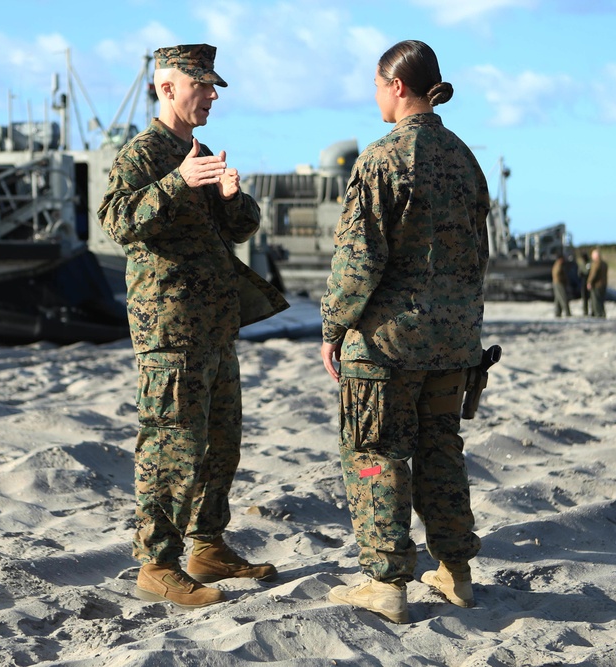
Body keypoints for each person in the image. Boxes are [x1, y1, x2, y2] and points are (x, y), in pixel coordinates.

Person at [97, 44, 282, 610]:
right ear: (166, 88)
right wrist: (177, 182)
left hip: (214, 325)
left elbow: (241, 229)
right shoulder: (145, 153)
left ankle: (207, 545)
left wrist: (230, 195)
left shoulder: (194, 150)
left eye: (213, 84)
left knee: (221, 442)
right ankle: (157, 564)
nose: (212, 94)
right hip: (169, 329)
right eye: (200, 84)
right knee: (172, 445)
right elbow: (118, 222)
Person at [319, 40, 489, 624]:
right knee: (441, 450)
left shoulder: (382, 158)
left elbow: (358, 260)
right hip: (453, 342)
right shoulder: (465, 158)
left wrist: (333, 326)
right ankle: (456, 573)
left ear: (397, 87)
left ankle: (385, 582)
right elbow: (478, 255)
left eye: (376, 85)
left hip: (388, 345)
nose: (374, 96)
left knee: (375, 456)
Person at [587, 248, 608, 318]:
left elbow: (593, 274)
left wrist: (589, 282)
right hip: (603, 284)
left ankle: (598, 314)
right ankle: (602, 313)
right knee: (601, 300)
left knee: (596, 300)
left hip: (597, 285)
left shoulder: (596, 264)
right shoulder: (604, 264)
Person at [552, 252, 572, 317]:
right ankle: (567, 313)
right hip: (559, 283)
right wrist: (564, 280)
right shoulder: (559, 265)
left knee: (558, 298)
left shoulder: (556, 264)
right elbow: (558, 274)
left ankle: (557, 312)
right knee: (563, 298)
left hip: (556, 283)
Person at [577, 251, 592, 316]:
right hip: (583, 281)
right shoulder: (582, 264)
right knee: (584, 297)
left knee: (591, 297)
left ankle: (591, 311)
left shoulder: (589, 264)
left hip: (588, 281)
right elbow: (579, 273)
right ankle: (585, 311)